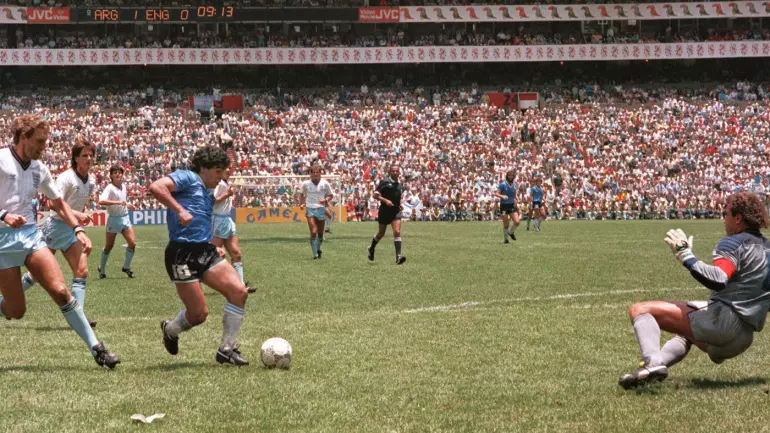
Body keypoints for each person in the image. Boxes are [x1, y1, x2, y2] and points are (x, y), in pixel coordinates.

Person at [0, 114, 119, 368]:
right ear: (24, 137)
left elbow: (57, 203)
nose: (44, 147)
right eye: (40, 142)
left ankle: (97, 349)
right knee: (16, 311)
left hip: (31, 235)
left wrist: (77, 229)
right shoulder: (1, 159)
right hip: (3, 241)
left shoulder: (38, 168)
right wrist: (4, 215)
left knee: (61, 291)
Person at [618, 191, 770, 389]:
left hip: (722, 325)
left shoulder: (733, 242)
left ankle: (653, 364)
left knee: (640, 310)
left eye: (726, 214)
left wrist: (685, 255)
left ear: (738, 218)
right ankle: (647, 372)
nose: (724, 221)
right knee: (685, 332)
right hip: (743, 339)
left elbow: (718, 279)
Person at [149, 146, 250, 366]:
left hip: (205, 250)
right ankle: (170, 329)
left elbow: (202, 217)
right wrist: (178, 210)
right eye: (217, 171)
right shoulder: (187, 177)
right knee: (198, 315)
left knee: (239, 292)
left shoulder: (207, 191)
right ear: (204, 169)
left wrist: (213, 245)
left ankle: (227, 349)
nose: (220, 176)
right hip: (181, 254)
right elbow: (156, 187)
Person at [21, 138, 98, 327]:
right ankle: (5, 298)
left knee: (82, 270)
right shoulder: (66, 178)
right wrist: (78, 215)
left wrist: (78, 217)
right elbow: (51, 205)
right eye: (85, 155)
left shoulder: (92, 180)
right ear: (75, 158)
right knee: (36, 274)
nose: (89, 159)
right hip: (55, 228)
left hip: (72, 230)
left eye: (91, 155)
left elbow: (76, 203)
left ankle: (78, 316)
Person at [212, 165, 255, 293]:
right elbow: (211, 201)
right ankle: (197, 279)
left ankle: (240, 286)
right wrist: (227, 195)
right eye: (226, 168)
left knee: (236, 254)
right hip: (218, 220)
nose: (229, 170)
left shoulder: (227, 182)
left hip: (227, 219)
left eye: (231, 168)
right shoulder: (218, 183)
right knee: (215, 256)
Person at [97, 165, 137, 279]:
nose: (118, 174)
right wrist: (119, 202)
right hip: (114, 219)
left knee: (132, 243)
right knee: (109, 246)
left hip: (125, 217)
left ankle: (126, 267)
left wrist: (128, 205)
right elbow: (101, 201)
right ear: (111, 176)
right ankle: (102, 269)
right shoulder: (109, 188)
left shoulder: (124, 186)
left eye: (119, 172)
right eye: (115, 172)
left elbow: (123, 201)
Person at [367, 164, 406, 265]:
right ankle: (371, 248)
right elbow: (375, 195)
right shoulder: (385, 182)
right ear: (390, 172)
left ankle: (398, 257)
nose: (395, 172)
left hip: (395, 211)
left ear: (399, 172)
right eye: (393, 171)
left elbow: (395, 197)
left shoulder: (399, 185)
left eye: (397, 171)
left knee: (397, 232)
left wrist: (399, 204)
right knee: (381, 233)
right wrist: (386, 200)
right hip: (384, 211)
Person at [300, 165, 334, 260]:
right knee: (313, 231)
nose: (315, 174)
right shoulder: (305, 183)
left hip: (321, 209)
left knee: (320, 234)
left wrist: (326, 199)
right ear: (310, 173)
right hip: (310, 208)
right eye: (313, 172)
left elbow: (331, 195)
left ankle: (318, 249)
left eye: (317, 172)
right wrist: (302, 204)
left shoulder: (325, 183)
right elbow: (302, 194)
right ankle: (315, 254)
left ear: (320, 173)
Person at [494, 170, 520, 243]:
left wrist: (517, 199)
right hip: (504, 206)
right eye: (509, 175)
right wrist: (502, 196)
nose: (510, 177)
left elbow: (515, 194)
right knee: (506, 224)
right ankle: (506, 239)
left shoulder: (514, 185)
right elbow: (496, 193)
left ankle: (511, 232)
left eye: (512, 175)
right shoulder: (502, 184)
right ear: (507, 176)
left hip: (512, 205)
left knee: (517, 222)